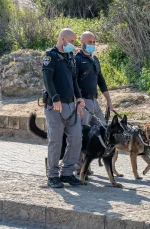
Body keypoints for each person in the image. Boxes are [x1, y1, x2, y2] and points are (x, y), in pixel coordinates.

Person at [42, 28, 85, 188]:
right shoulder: (50, 56)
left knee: (76, 138)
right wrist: (55, 98)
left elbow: (74, 81)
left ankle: (67, 173)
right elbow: (47, 79)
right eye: (72, 41)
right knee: (56, 140)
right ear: (63, 39)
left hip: (70, 105)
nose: (74, 45)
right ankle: (53, 175)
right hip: (55, 106)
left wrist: (79, 98)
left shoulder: (70, 58)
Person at [74, 31, 114, 175]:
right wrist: (77, 101)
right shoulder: (76, 60)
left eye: (94, 42)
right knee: (82, 135)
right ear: (81, 42)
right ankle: (80, 168)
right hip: (83, 102)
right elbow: (73, 83)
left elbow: (101, 81)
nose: (92, 44)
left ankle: (98, 164)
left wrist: (109, 101)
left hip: (94, 101)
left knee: (103, 130)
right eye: (89, 42)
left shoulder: (95, 60)